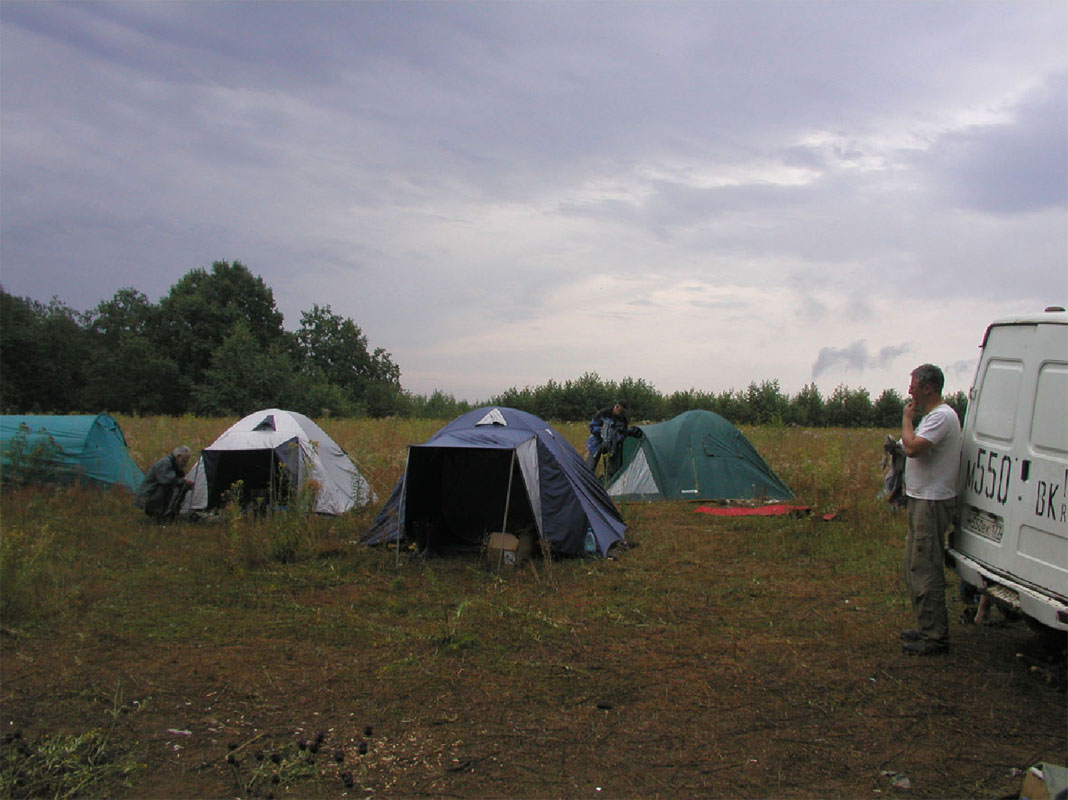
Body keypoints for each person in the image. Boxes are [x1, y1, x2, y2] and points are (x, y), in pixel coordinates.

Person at [898, 364, 962, 655]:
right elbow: (906, 445)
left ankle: (935, 637)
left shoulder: (941, 417)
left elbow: (912, 448)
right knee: (915, 566)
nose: (909, 389)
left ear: (927, 387)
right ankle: (926, 628)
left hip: (931, 502)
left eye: (913, 384)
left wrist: (906, 419)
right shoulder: (934, 418)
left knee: (925, 567)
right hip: (921, 498)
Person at [136, 445, 194, 522]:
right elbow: (167, 481)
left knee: (182, 486)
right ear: (178, 456)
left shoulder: (173, 464)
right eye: (184, 461)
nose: (185, 464)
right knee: (168, 488)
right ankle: (159, 515)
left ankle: (171, 514)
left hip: (153, 494)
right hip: (147, 497)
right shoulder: (164, 463)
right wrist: (183, 481)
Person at [586, 401, 641, 478]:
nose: (622, 413)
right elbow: (592, 427)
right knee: (590, 468)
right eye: (621, 411)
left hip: (611, 446)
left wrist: (617, 436)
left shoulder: (623, 419)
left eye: (624, 412)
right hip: (596, 443)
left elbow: (623, 433)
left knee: (611, 470)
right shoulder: (603, 413)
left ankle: (607, 486)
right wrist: (602, 430)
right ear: (617, 407)